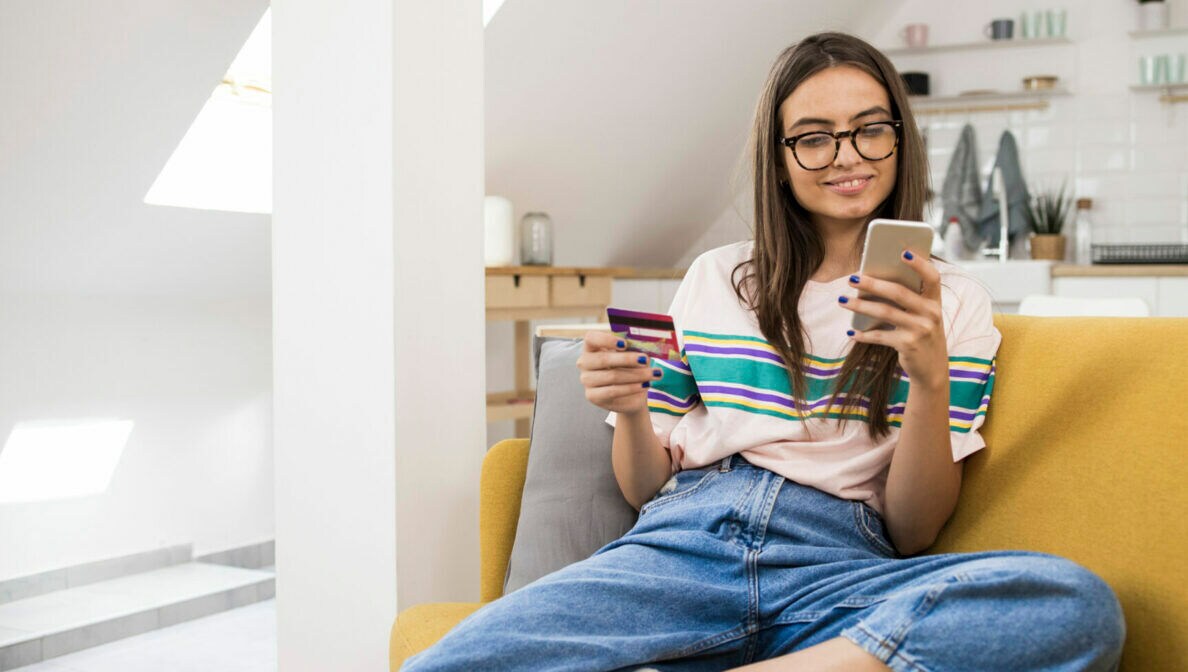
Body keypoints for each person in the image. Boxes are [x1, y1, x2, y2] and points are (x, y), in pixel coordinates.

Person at [402, 32, 1125, 672]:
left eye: (869, 130)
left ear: (899, 139)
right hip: (681, 549)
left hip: (838, 566)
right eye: (814, 137)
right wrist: (627, 411)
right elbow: (644, 489)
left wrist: (930, 381)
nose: (846, 156)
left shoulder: (952, 302)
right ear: (779, 160)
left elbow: (913, 531)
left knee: (1076, 606)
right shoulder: (717, 277)